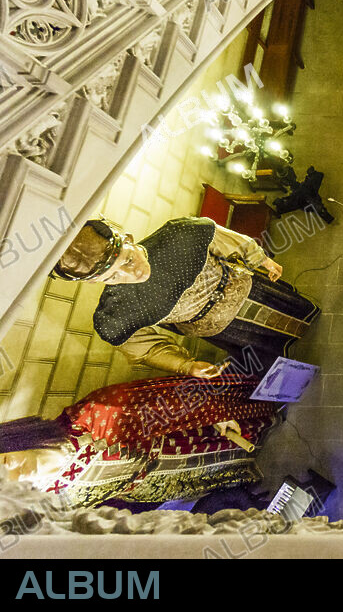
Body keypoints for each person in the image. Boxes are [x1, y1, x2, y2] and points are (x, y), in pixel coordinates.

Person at [52, 218, 319, 379]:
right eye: (113, 276)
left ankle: (311, 320)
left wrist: (261, 259)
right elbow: (145, 349)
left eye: (128, 259)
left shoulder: (179, 234)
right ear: (96, 281)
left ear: (129, 240)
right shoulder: (115, 314)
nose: (133, 273)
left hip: (245, 287)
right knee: (273, 345)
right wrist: (184, 366)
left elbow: (228, 243)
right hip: (220, 326)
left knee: (297, 314)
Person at [0, 374, 277, 508]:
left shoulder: (91, 419)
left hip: (177, 440)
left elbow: (167, 406)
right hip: (161, 480)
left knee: (259, 434)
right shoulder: (49, 500)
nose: (16, 476)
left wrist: (214, 413)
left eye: (6, 461)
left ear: (14, 441)